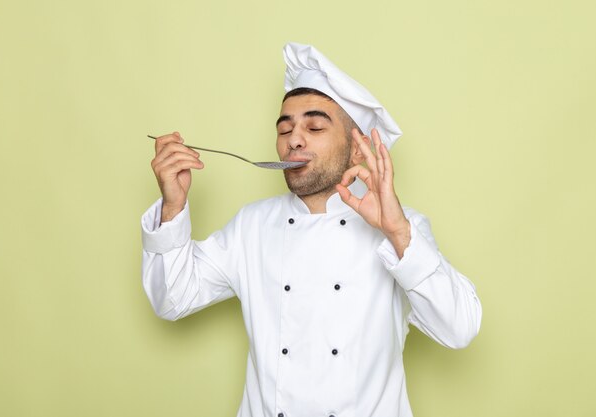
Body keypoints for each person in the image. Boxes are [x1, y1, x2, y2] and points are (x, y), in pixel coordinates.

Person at [141, 42, 482, 417]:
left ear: (357, 150)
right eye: (284, 129)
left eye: (315, 126)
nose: (294, 139)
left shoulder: (402, 229)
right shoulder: (251, 226)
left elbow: (459, 328)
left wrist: (398, 232)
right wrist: (173, 205)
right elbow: (171, 299)